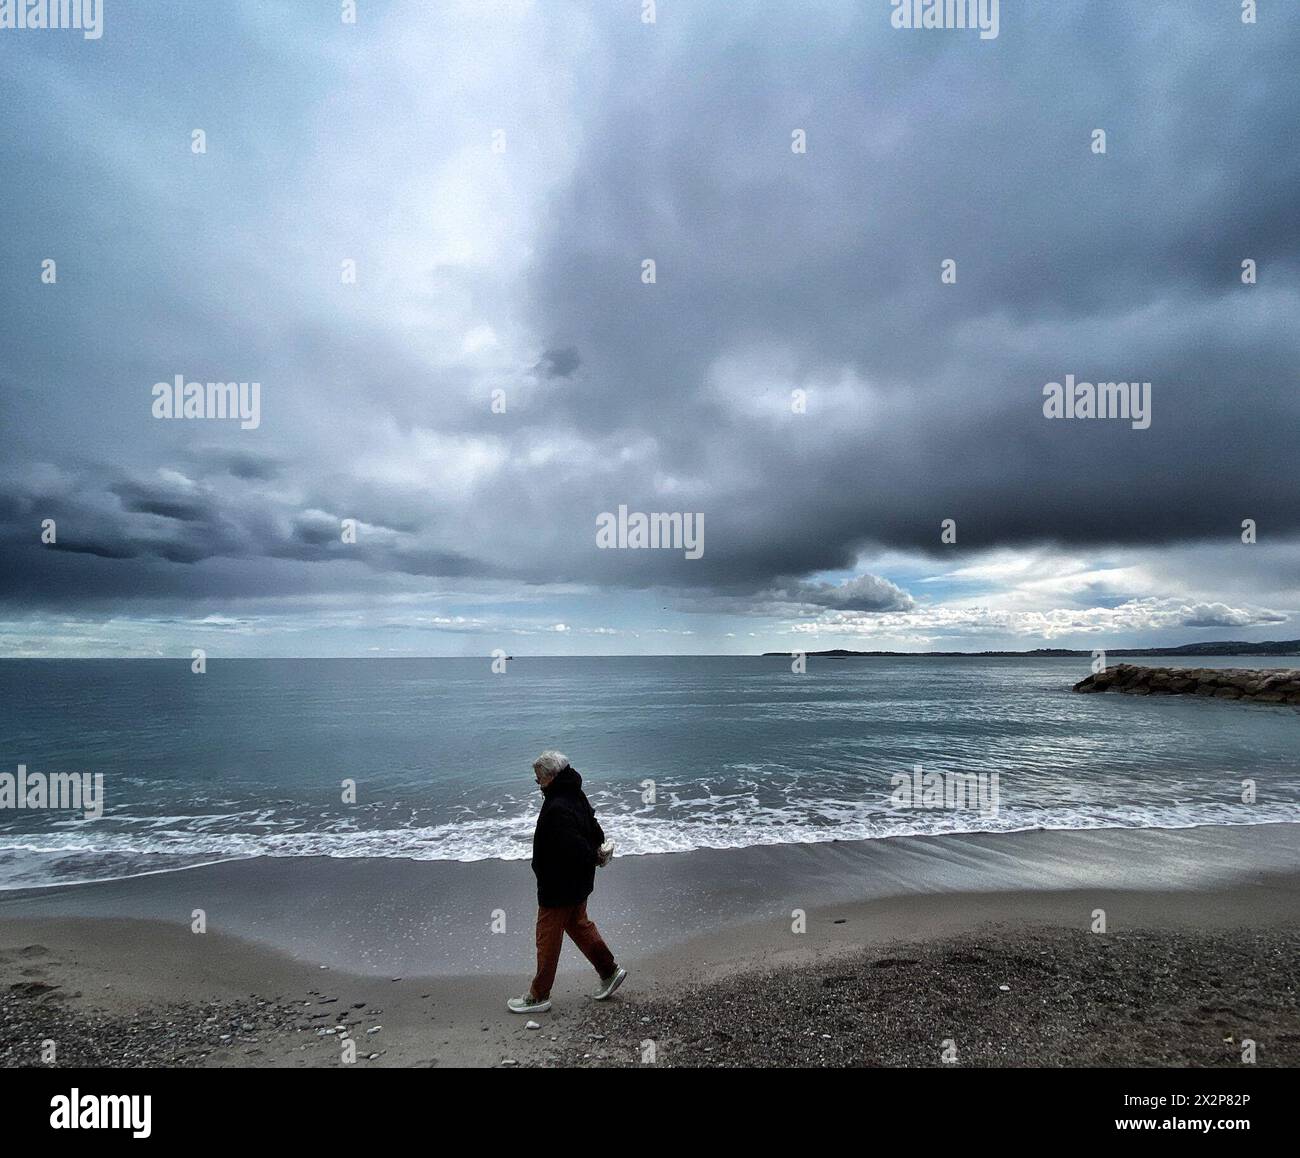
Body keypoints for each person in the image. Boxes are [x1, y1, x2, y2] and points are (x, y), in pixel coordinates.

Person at [507, 751, 626, 1013]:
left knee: (547, 939)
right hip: (577, 883)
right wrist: (595, 855)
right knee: (579, 926)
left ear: (551, 776)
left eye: (538, 779)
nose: (537, 784)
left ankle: (538, 996)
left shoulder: (557, 806)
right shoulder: (574, 794)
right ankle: (609, 972)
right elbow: (595, 830)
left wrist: (592, 856)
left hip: (558, 886)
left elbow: (574, 845)